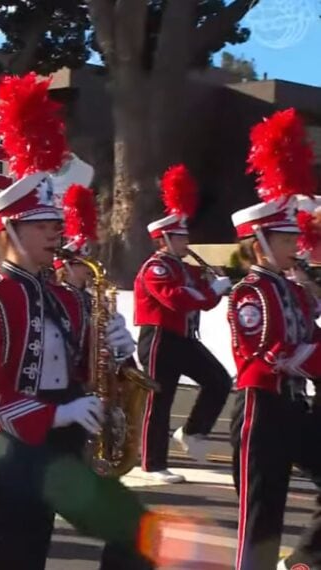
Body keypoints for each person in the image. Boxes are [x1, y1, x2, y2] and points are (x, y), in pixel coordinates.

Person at [0, 73, 160, 570]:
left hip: (65, 447)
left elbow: (88, 368)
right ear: (9, 230)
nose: (57, 234)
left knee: (138, 534)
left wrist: (119, 350)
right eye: (45, 226)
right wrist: (58, 415)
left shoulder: (67, 296)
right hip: (13, 452)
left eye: (57, 224)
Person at [226, 108, 321, 570]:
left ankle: (304, 558)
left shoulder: (291, 286)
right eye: (285, 238)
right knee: (261, 515)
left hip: (292, 407)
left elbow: (311, 331)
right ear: (260, 242)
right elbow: (269, 354)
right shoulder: (250, 292)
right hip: (261, 409)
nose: (294, 246)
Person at [134, 164, 232, 483]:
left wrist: (214, 288)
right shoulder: (156, 267)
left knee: (218, 380)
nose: (185, 240)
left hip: (184, 337)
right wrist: (207, 291)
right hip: (160, 337)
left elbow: (201, 297)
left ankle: (192, 431)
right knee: (159, 400)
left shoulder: (183, 267)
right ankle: (152, 464)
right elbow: (176, 299)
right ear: (163, 239)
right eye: (180, 235)